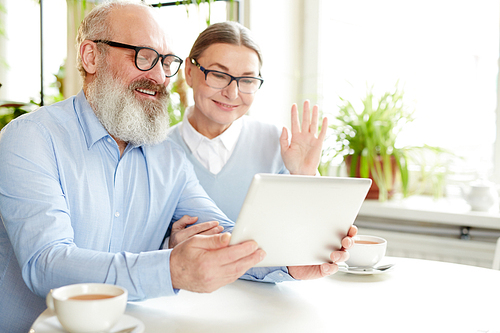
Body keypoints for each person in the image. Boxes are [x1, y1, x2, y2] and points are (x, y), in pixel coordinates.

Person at [0, 2, 353, 332]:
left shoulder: (167, 158)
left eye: (166, 62)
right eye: (143, 57)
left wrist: (289, 262)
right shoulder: (31, 138)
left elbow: (225, 235)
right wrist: (171, 268)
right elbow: (46, 264)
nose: (158, 76)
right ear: (91, 56)